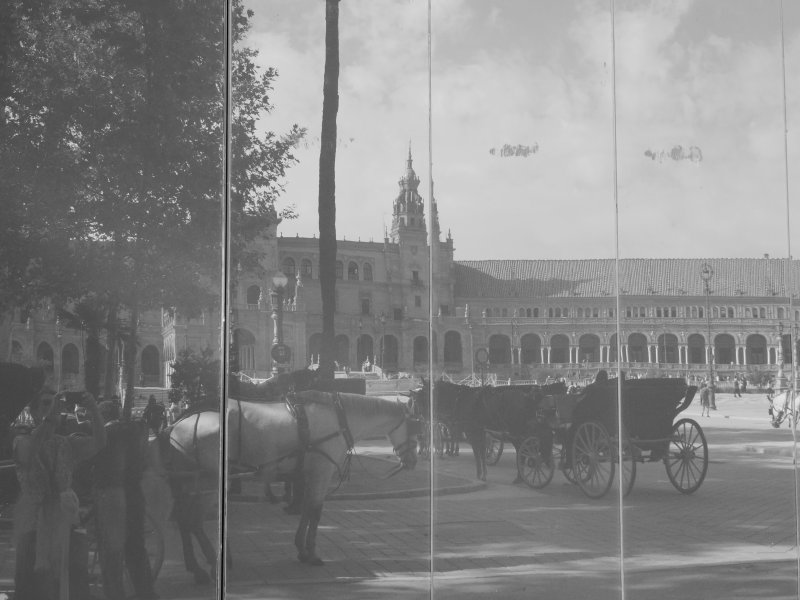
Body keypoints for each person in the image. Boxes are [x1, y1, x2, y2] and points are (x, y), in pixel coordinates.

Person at [13, 389, 106, 600]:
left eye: (53, 404)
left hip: (66, 521)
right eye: (45, 404)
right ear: (34, 412)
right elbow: (28, 453)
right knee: (34, 584)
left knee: (74, 581)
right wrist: (50, 420)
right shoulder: (21, 440)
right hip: (34, 523)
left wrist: (94, 411)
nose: (50, 409)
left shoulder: (66, 442)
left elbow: (99, 444)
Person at [93, 400, 158, 600]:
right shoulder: (133, 432)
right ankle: (146, 592)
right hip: (135, 495)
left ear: (102, 416)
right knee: (136, 546)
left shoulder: (104, 435)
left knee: (111, 553)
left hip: (112, 497)